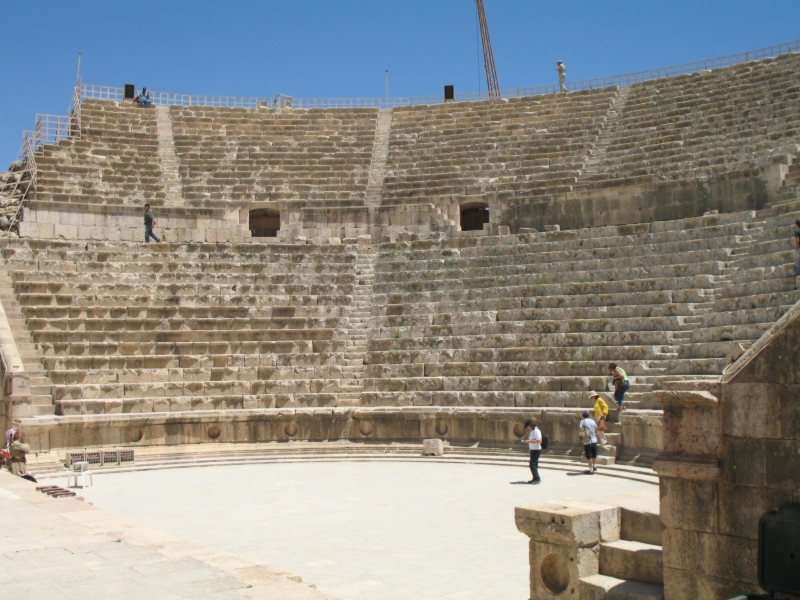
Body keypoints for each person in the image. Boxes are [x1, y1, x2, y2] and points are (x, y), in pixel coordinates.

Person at [519, 419, 543, 484]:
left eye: (528, 426)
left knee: (532, 464)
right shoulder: (532, 431)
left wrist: (529, 441)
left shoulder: (536, 431)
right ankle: (535, 478)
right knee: (534, 464)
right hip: (533, 449)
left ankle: (537, 478)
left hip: (536, 450)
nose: (527, 428)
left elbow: (539, 440)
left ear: (530, 425)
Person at [579, 410, 598, 474]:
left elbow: (580, 430)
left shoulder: (582, 421)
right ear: (589, 415)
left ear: (583, 415)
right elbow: (596, 430)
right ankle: (594, 465)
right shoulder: (593, 421)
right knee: (594, 454)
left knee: (589, 455)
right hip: (594, 439)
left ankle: (591, 470)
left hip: (587, 441)